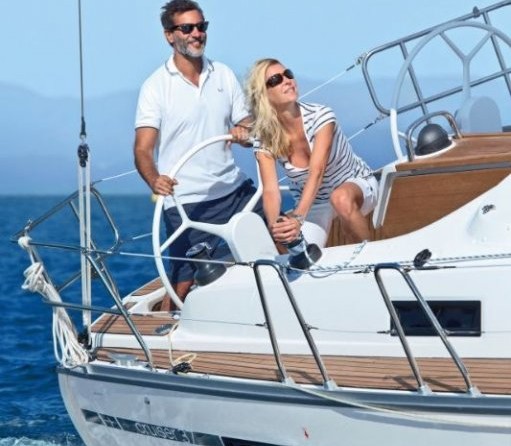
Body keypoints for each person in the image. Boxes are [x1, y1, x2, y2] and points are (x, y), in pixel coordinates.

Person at [134, 0, 259, 310]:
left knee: (278, 240)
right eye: (187, 28)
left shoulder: (223, 74)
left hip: (234, 191)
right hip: (186, 201)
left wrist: (245, 132)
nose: (196, 33)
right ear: (169, 35)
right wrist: (154, 180)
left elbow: (247, 125)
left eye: (201, 26)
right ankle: (165, 332)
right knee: (182, 284)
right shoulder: (155, 87)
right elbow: (143, 149)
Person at [245, 58, 378, 247]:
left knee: (340, 198)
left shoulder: (320, 116)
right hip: (315, 203)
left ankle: (372, 257)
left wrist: (298, 217)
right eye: (276, 80)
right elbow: (271, 190)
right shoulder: (264, 137)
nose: (287, 81)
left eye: (288, 74)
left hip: (357, 185)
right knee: (284, 237)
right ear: (262, 94)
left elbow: (317, 171)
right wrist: (276, 227)